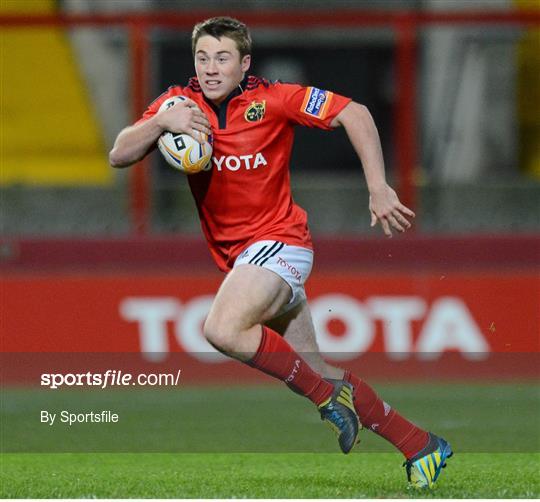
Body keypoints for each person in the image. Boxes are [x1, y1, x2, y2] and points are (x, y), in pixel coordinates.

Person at [110, 16, 452, 488]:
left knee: (221, 328)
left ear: (244, 63)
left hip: (281, 244)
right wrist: (161, 123)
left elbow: (355, 112)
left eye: (222, 58)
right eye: (202, 57)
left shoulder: (274, 99)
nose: (211, 68)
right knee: (320, 369)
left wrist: (378, 187)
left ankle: (327, 400)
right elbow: (119, 152)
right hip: (246, 263)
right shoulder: (178, 105)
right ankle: (421, 445)